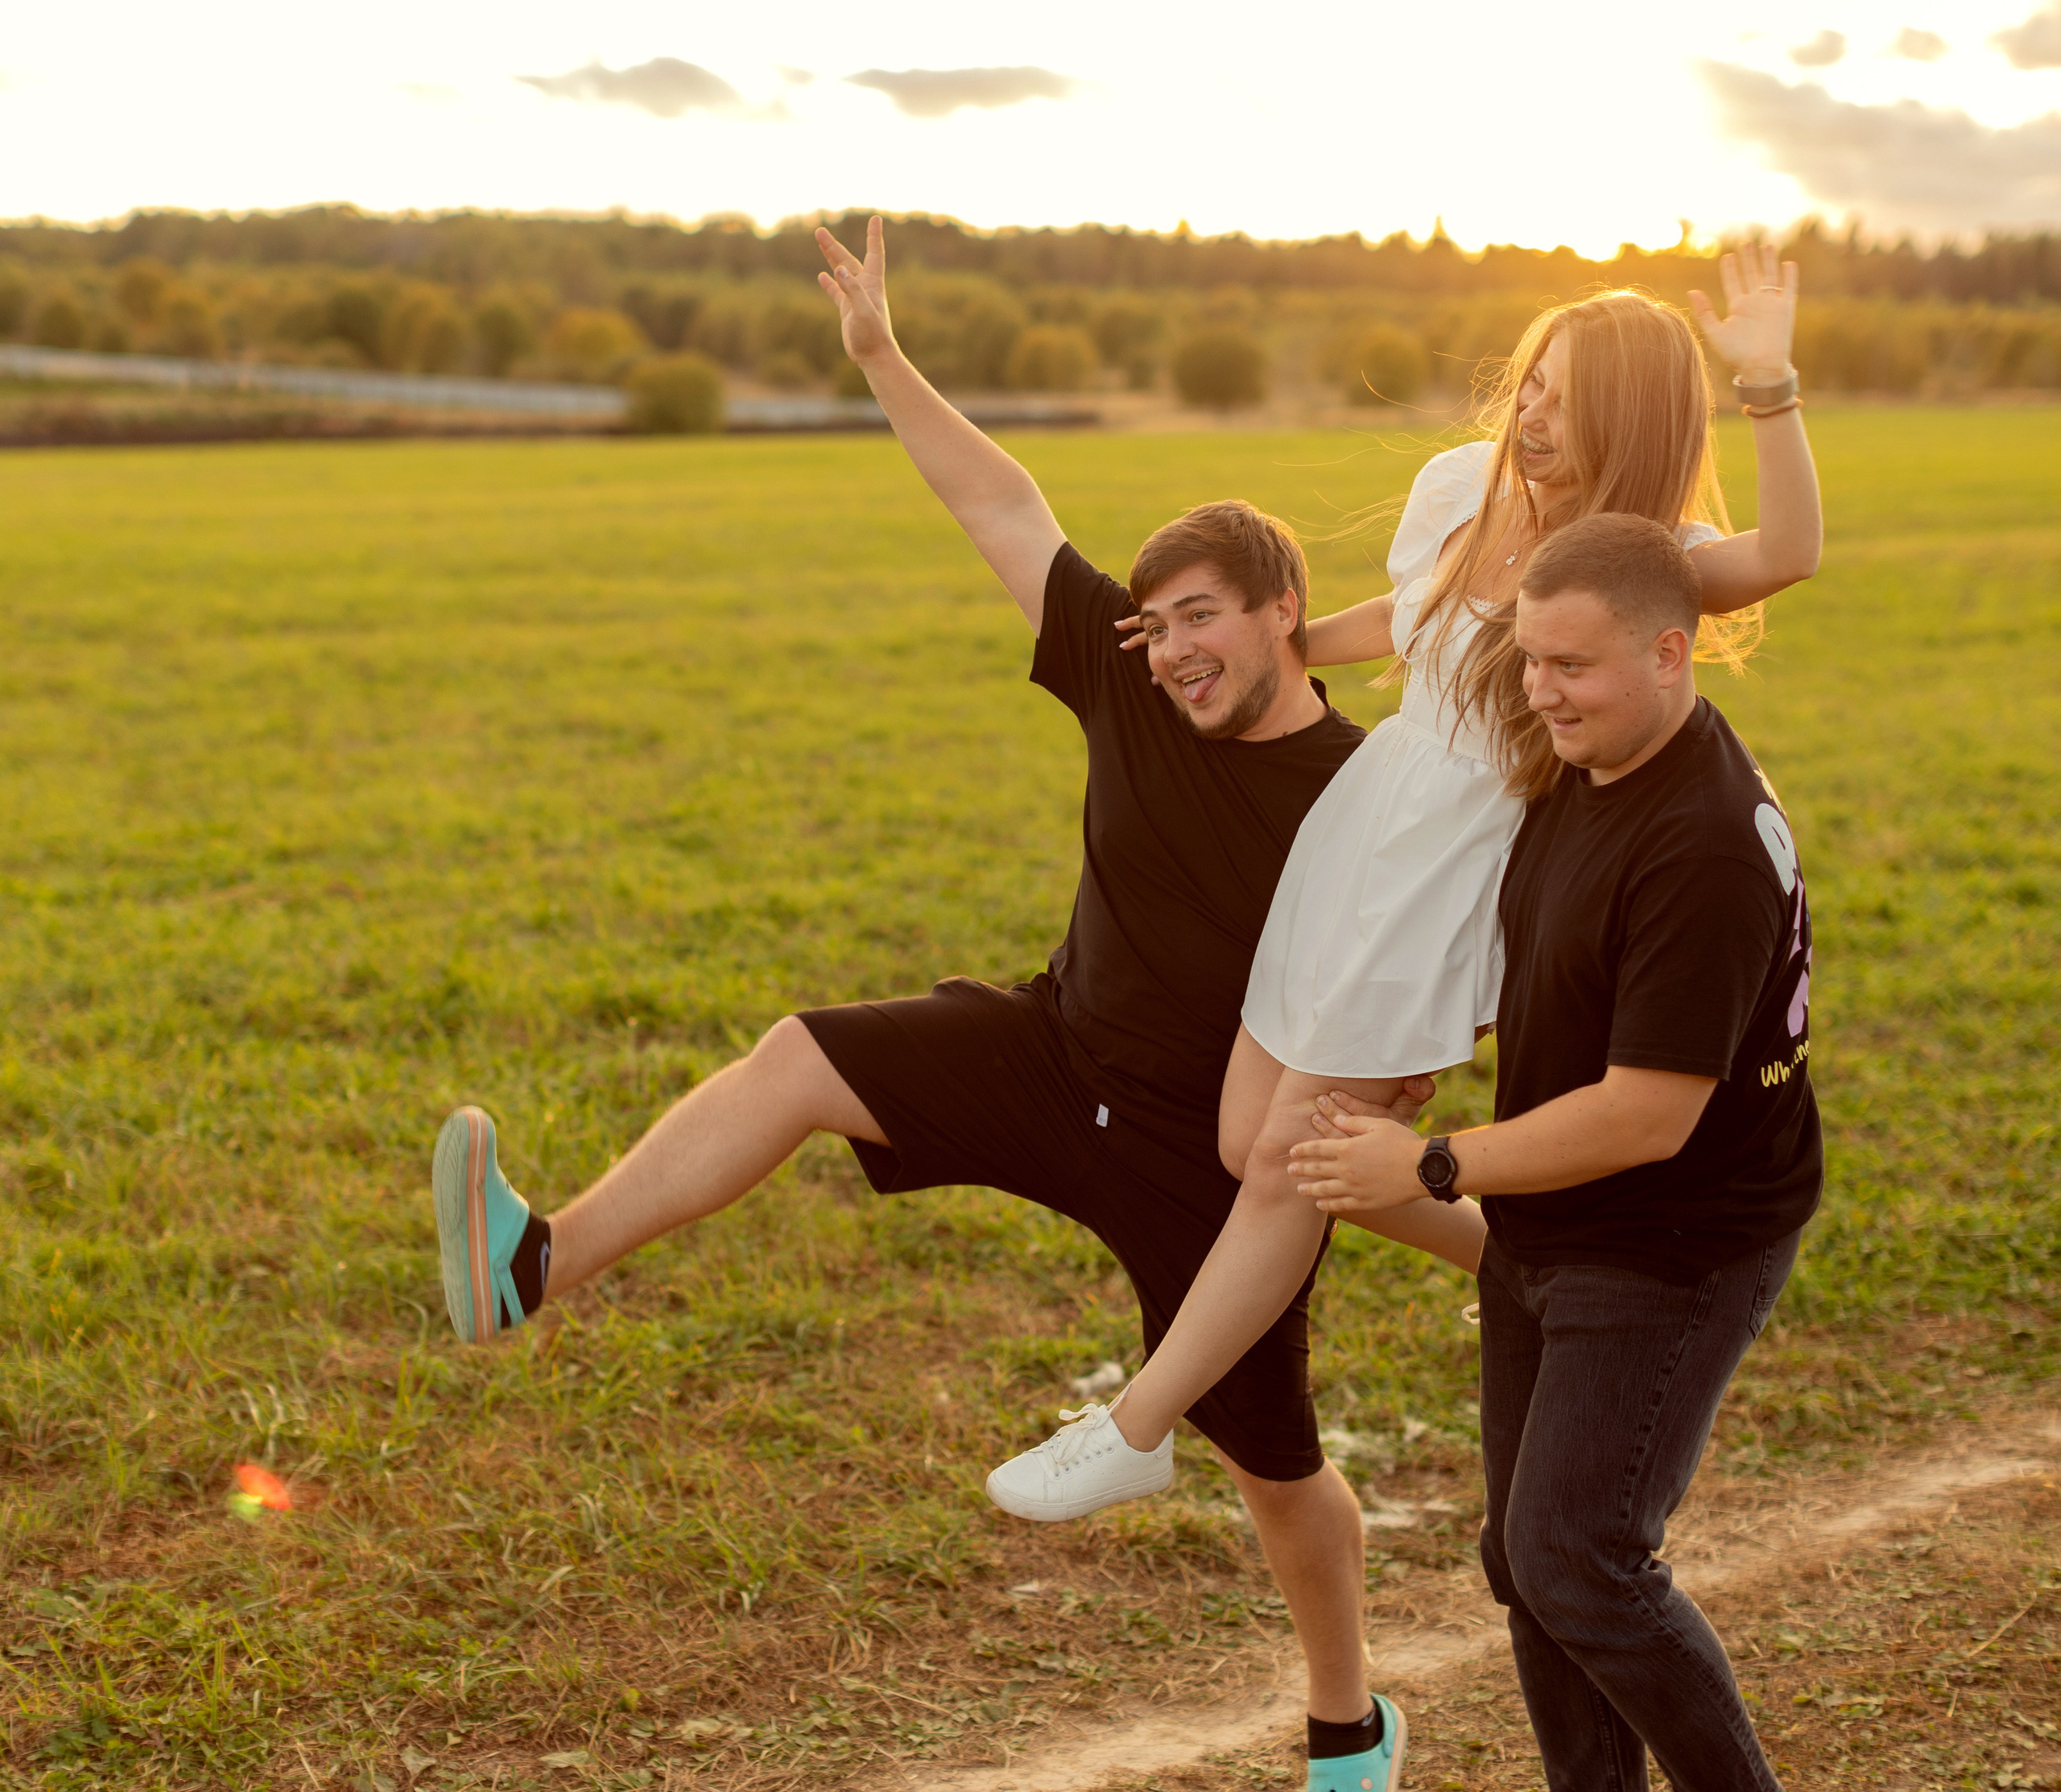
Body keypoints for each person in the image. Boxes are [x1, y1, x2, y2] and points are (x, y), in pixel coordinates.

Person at [426, 217, 1473, 1792]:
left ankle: (1344, 1728)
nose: (1171, 646)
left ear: (1283, 614)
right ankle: (534, 1262)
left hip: (1212, 1156)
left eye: (1203, 616)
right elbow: (999, 498)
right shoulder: (1124, 682)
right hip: (1053, 1051)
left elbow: (1436, 965)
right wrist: (878, 356)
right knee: (796, 1061)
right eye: (1155, 618)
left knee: (1273, 1468)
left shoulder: (1368, 789)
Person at [989, 247, 1823, 1517]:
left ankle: (1141, 1421)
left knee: (1283, 1161)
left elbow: (1795, 551)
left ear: (1631, 420)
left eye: (1564, 398)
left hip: (1459, 864)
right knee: (1246, 1140)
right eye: (1529, 385)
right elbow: (1409, 611)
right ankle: (1525, 1255)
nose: (1531, 414)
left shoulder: (1645, 555)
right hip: (1366, 821)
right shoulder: (1456, 486)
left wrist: (1768, 381)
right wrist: (1260, 641)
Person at [1286, 511, 1819, 1792]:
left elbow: (1647, 1115)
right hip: (1556, 1223)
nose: (1539, 691)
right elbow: (1568, 964)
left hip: (1672, 1243)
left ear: (1672, 652)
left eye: (1571, 666)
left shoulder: (1698, 840)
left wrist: (1428, 1164)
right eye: (1530, 660)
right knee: (1527, 1560)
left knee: (1578, 1553)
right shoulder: (1587, 764)